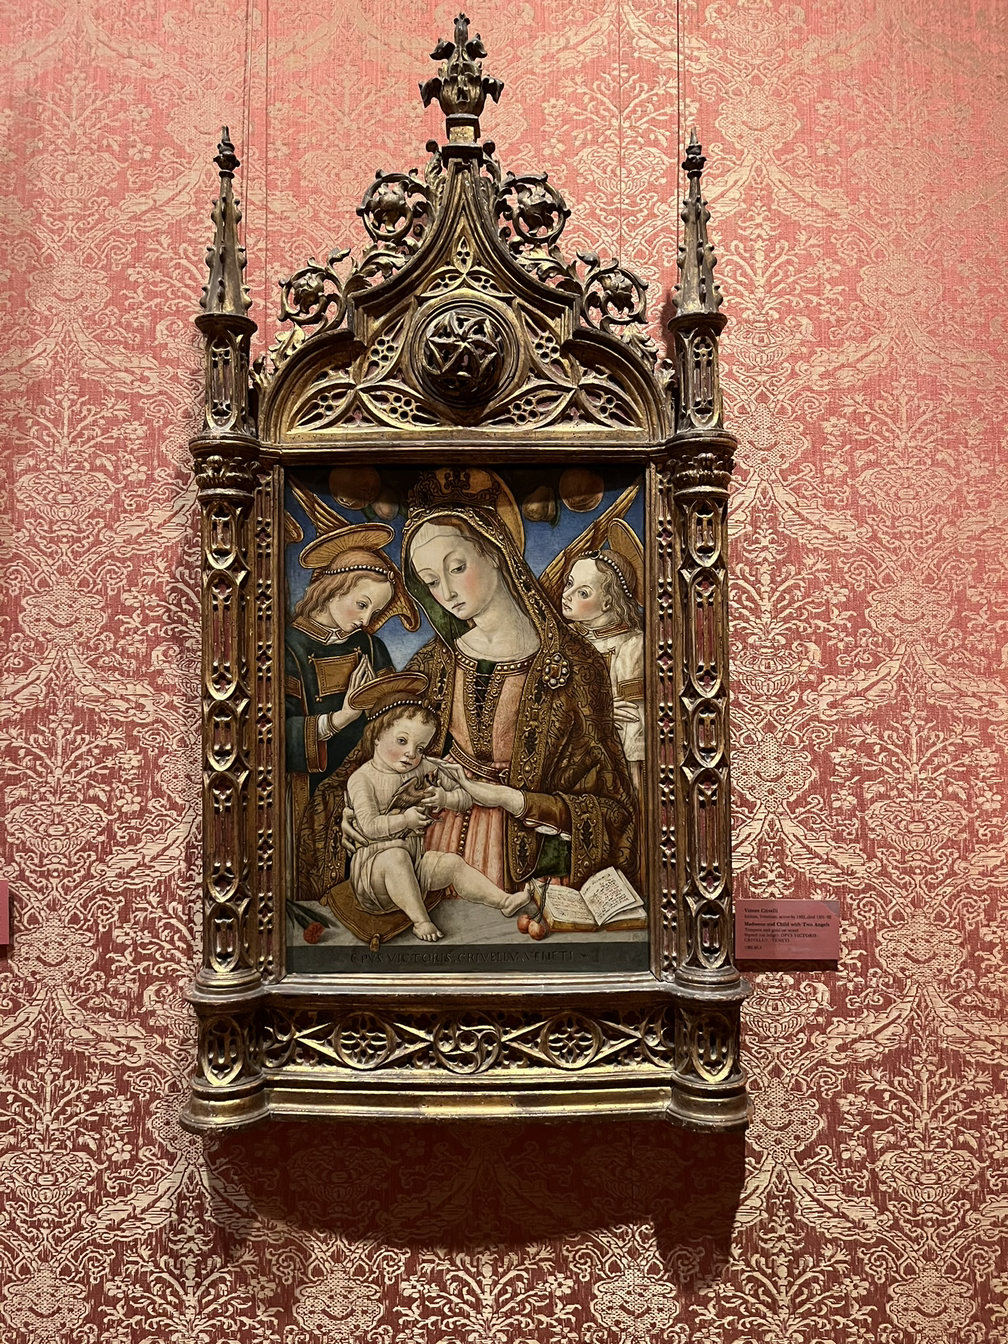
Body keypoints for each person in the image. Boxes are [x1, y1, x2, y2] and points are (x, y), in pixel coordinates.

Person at [395, 468, 638, 896]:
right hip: (440, 843)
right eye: (431, 581)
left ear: (495, 553)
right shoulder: (433, 663)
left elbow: (614, 810)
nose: (446, 592)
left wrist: (516, 800)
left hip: (535, 857)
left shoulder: (576, 665)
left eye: (457, 567)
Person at [343, 673, 530, 941]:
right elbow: (369, 826)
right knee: (395, 857)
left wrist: (445, 799)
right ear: (376, 735)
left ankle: (504, 901)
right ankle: (421, 921)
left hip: (416, 869)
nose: (412, 754)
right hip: (375, 877)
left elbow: (465, 795)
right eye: (402, 741)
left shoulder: (422, 767)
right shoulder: (362, 779)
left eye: (421, 748)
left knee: (451, 863)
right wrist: (406, 821)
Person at [285, 519, 419, 794]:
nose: (366, 620)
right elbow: (276, 733)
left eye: (375, 612)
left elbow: (392, 715)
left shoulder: (371, 646)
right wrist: (343, 717)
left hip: (370, 776)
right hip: (311, 785)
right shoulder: (289, 647)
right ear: (332, 591)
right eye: (361, 605)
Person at [560, 518, 645, 800]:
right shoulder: (564, 640)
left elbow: (633, 719)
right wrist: (600, 711)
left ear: (608, 601)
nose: (566, 595)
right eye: (569, 584)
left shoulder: (631, 646)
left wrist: (635, 784)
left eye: (582, 592)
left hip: (610, 765)